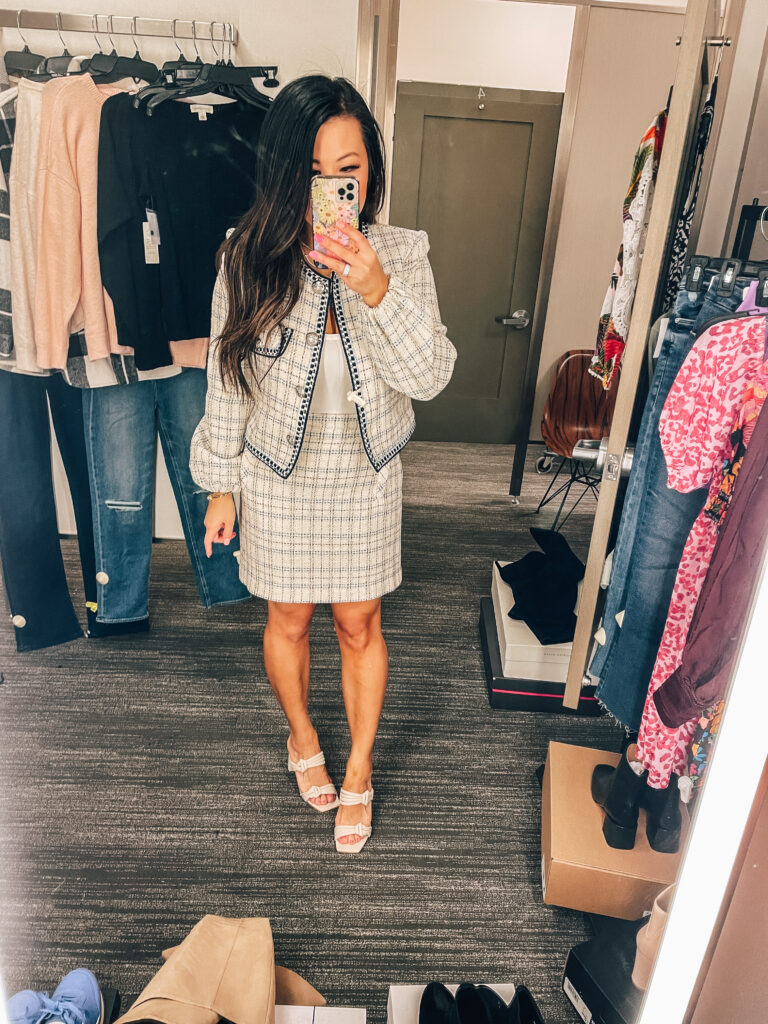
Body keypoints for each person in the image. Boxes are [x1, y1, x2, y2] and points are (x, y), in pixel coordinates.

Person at [190, 75, 456, 854]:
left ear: (370, 169)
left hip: (365, 471)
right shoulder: (248, 256)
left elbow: (431, 376)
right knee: (288, 617)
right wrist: (220, 484)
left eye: (350, 168)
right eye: (313, 172)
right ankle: (302, 735)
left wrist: (377, 289)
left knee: (358, 622)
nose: (335, 187)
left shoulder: (402, 254)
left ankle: (360, 767)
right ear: (283, 173)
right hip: (278, 470)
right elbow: (227, 376)